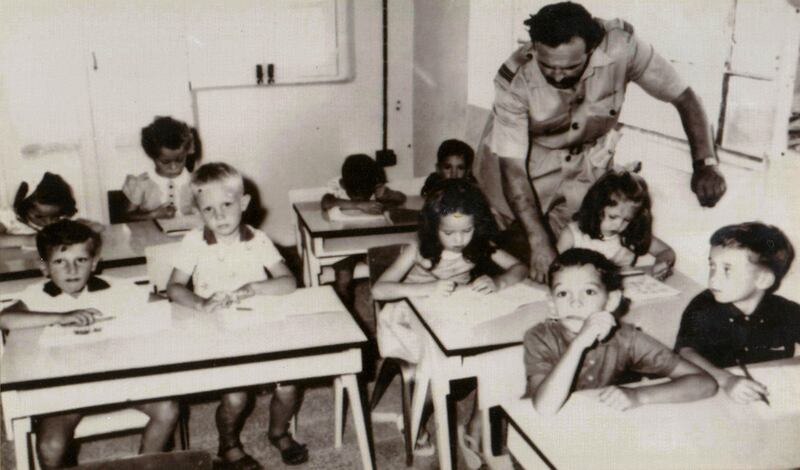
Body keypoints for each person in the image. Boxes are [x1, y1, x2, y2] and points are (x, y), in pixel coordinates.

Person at [474, 1, 726, 283]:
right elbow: (514, 171)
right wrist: (537, 240)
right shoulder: (514, 80)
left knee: (571, 261)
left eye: (570, 66)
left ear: (591, 49)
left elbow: (684, 97)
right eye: (547, 66)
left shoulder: (622, 47)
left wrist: (705, 163)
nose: (557, 76)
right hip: (520, 164)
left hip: (583, 163)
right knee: (499, 254)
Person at [0, 220, 179, 469]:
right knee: (50, 446)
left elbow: (162, 306)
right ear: (44, 267)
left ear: (94, 262)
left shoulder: (115, 287)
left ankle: (143, 464)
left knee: (168, 408)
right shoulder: (38, 295)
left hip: (119, 381)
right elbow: (4, 318)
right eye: (60, 262)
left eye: (81, 260)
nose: (71, 269)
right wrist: (61, 317)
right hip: (64, 391)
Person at [372, 179, 527, 461]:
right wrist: (425, 288)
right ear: (434, 227)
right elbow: (379, 289)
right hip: (410, 317)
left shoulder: (478, 245)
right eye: (449, 232)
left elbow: (520, 268)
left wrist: (499, 281)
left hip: (457, 315)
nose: (459, 240)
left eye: (467, 230)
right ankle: (412, 423)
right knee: (437, 368)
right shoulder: (419, 248)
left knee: (501, 353)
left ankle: (477, 424)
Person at [166, 163, 307, 469]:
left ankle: (278, 432)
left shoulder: (257, 240)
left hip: (260, 325)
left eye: (227, 205)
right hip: (220, 332)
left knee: (289, 386)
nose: (219, 216)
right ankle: (228, 444)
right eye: (208, 209)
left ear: (243, 204)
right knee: (235, 397)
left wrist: (256, 286)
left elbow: (288, 281)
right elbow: (174, 287)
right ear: (199, 212)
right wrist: (200, 303)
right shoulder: (194, 242)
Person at [523, 248, 717, 416]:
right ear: (552, 304)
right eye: (563, 293)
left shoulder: (626, 338)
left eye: (589, 292)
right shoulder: (539, 338)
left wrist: (638, 396)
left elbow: (704, 383)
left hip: (598, 422)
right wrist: (578, 345)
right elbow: (544, 409)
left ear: (611, 302)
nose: (575, 302)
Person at [675, 222, 799, 404]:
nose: (713, 279)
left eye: (727, 269)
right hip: (710, 394)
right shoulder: (703, 307)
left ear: (763, 280)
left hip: (767, 398)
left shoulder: (785, 311)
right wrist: (726, 380)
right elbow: (685, 352)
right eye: (713, 266)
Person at [556, 170, 676, 279]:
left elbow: (666, 251)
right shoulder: (572, 234)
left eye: (627, 219)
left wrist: (661, 263)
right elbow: (553, 268)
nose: (619, 225)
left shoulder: (631, 235)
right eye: (613, 217)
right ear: (596, 208)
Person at [321, 153, 406, 305]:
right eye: (356, 194)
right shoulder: (337, 189)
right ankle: (345, 310)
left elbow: (401, 198)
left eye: (365, 193)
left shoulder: (374, 188)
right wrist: (357, 205)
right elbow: (326, 202)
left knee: (388, 265)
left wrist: (388, 194)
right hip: (344, 244)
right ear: (344, 184)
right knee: (344, 276)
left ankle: (385, 304)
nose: (362, 198)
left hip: (371, 242)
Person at [121, 116, 200, 221]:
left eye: (180, 160)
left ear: (187, 153)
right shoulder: (142, 183)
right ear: (152, 156)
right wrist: (153, 214)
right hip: (151, 235)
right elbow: (127, 217)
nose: (173, 167)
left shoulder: (195, 181)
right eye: (165, 162)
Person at [0, 172, 102, 248]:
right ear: (23, 207)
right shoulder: (10, 216)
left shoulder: (62, 220)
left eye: (54, 216)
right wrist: (28, 240)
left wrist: (79, 229)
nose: (48, 223)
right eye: (39, 216)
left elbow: (98, 227)